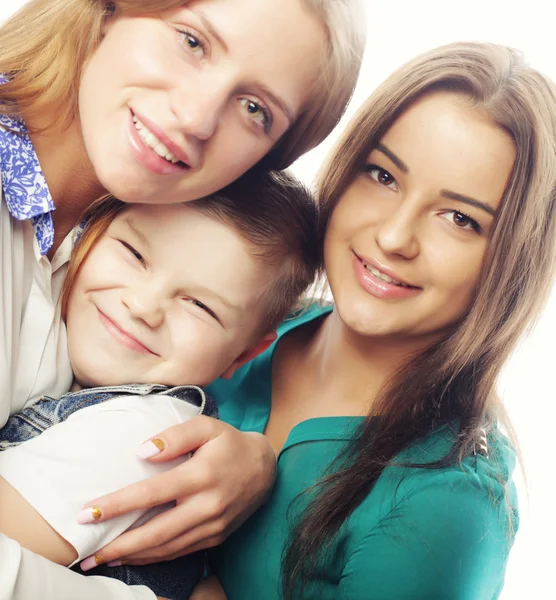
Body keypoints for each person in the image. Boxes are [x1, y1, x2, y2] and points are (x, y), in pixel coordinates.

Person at [0, 0, 366, 597]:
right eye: (192, 41)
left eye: (255, 109)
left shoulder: (89, 247)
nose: (196, 117)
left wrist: (249, 463)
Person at [180, 42, 556, 599]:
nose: (394, 237)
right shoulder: (255, 316)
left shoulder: (447, 506)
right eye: (383, 176)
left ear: (513, 262)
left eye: (459, 218)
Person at [0, 168, 319, 600]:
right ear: (88, 231)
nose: (143, 305)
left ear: (244, 355)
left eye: (200, 305)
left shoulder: (147, 435)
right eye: (134, 253)